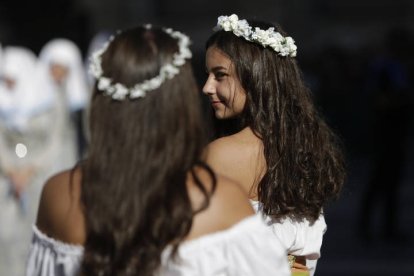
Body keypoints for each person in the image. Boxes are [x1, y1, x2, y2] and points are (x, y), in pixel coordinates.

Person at [25, 25, 290, 276]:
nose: (207, 87)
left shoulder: (58, 194)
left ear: (101, 99)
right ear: (180, 102)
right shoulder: (219, 200)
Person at [202, 14, 346, 275]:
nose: (207, 87)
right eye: (208, 75)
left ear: (256, 76)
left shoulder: (222, 154)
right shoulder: (308, 149)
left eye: (220, 75)